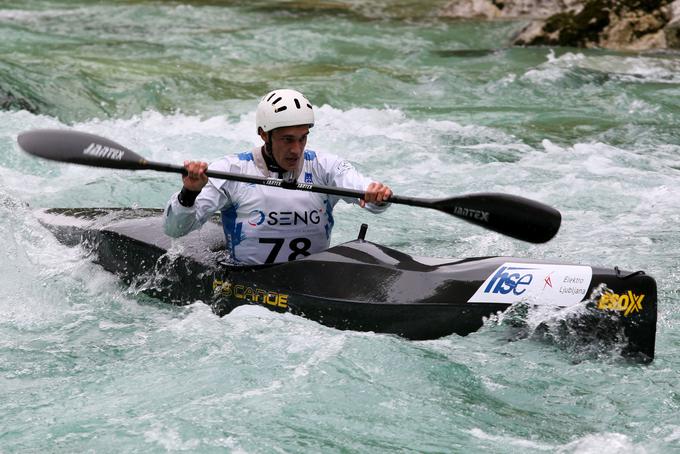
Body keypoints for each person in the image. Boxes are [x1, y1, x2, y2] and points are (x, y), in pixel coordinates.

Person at [163, 88, 392, 265]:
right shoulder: (232, 170)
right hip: (251, 279)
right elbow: (176, 229)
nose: (296, 149)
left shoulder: (325, 166)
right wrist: (189, 192)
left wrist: (376, 195)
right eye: (287, 139)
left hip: (313, 280)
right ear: (264, 134)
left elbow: (363, 192)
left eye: (303, 138)